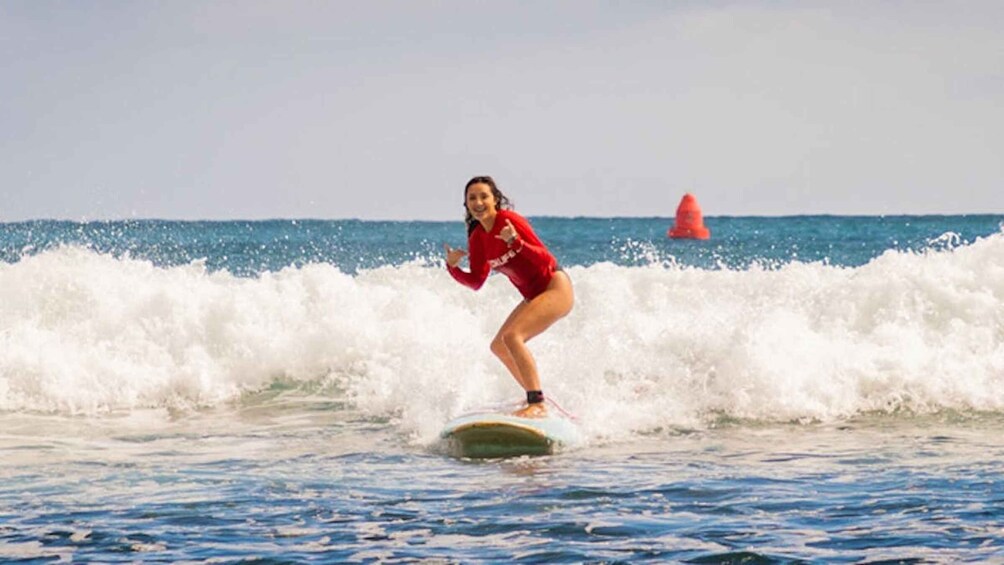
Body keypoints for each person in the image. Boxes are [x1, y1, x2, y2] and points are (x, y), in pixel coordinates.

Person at [443, 176, 574, 418]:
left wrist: (516, 242)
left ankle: (536, 402)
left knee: (513, 337)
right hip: (532, 296)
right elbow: (476, 282)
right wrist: (453, 267)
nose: (478, 202)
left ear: (495, 200)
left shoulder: (509, 221)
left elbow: (546, 259)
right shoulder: (478, 238)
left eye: (484, 196)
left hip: (555, 286)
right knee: (499, 346)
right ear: (466, 205)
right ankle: (535, 397)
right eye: (472, 198)